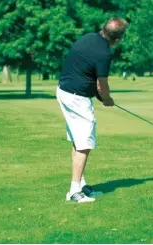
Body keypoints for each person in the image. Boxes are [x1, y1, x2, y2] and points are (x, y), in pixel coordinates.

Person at [56, 17, 128, 203]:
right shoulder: (104, 53)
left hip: (65, 91)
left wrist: (100, 96)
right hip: (76, 97)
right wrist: (107, 99)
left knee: (78, 140)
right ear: (117, 40)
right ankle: (74, 191)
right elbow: (101, 83)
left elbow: (86, 71)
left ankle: (80, 185)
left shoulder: (87, 37)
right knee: (85, 143)